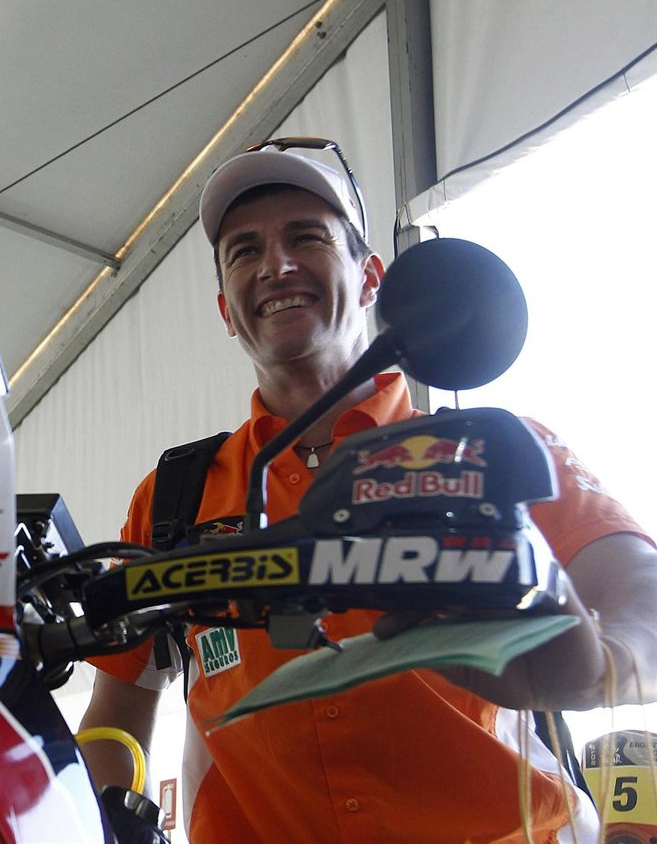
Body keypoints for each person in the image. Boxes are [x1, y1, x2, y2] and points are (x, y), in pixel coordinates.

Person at [77, 142, 657, 843]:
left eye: (306, 237)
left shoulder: (494, 452)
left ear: (372, 278)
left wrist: (605, 667)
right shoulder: (173, 497)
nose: (275, 265)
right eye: (243, 251)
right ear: (227, 309)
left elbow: (642, 592)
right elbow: (115, 715)